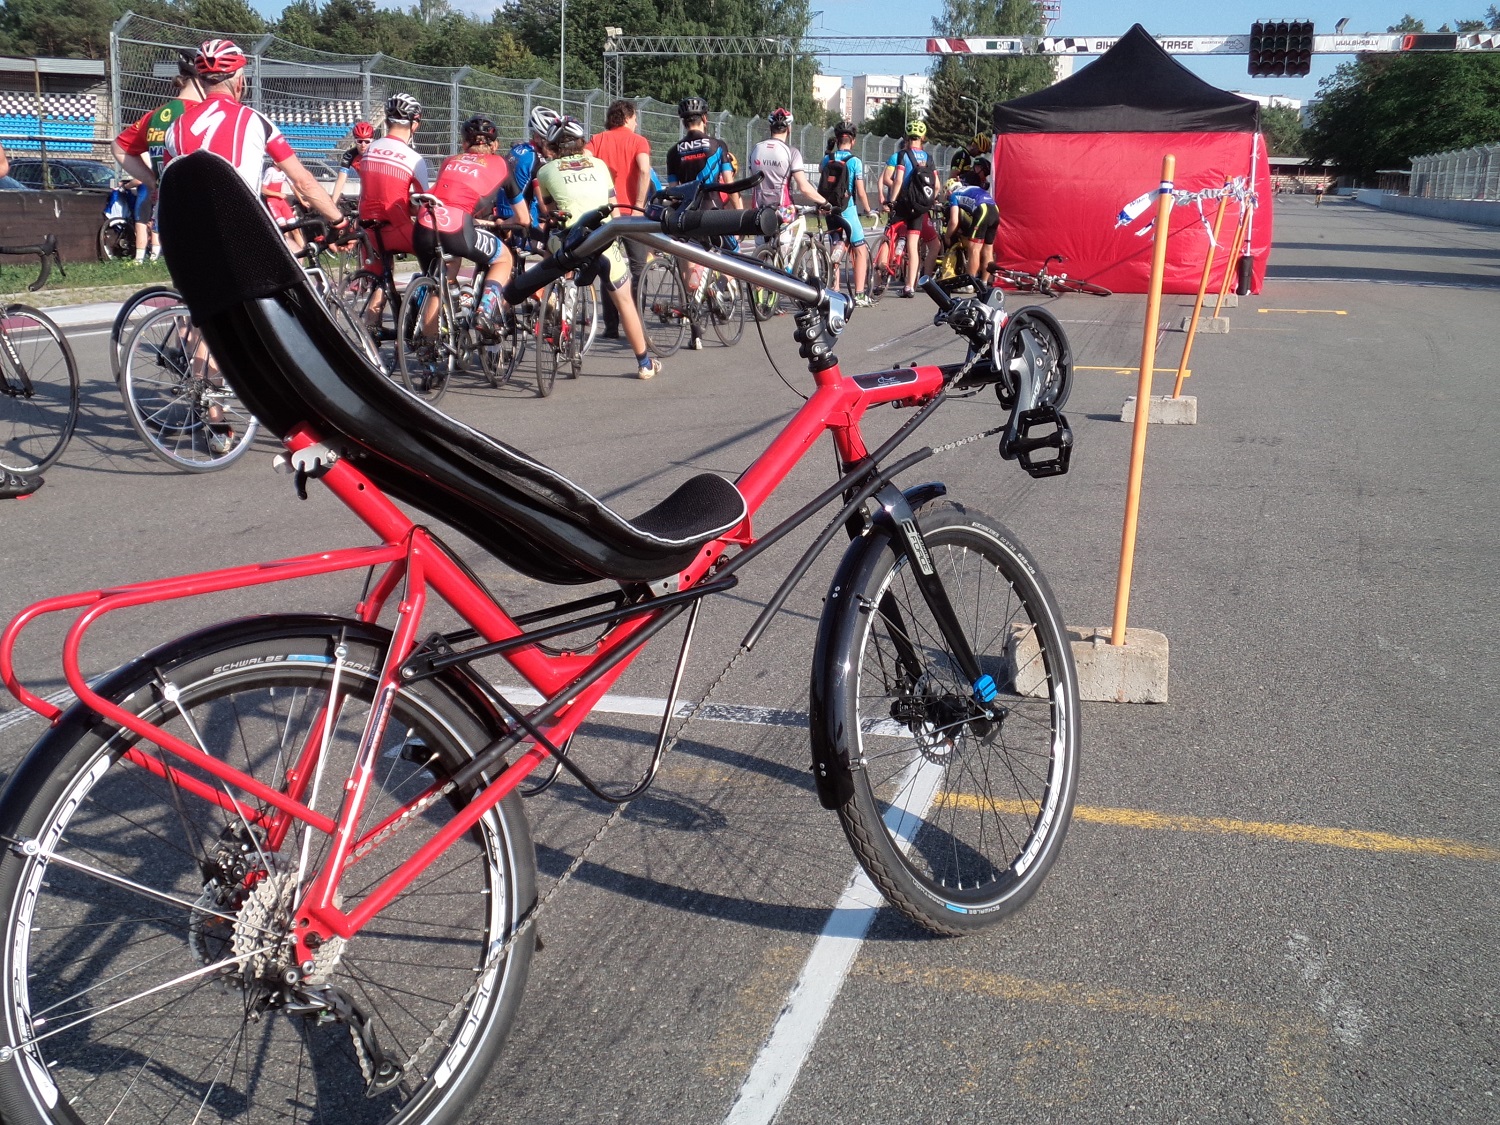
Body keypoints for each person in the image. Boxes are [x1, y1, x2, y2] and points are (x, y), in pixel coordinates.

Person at [534, 115, 660, 379]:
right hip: (601, 236)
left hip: (568, 239)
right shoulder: (600, 165)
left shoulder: (545, 171)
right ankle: (644, 363)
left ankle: (554, 298)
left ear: (552, 146)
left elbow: (551, 211)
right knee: (624, 300)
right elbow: (612, 209)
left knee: (552, 244)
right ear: (581, 142)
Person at [162, 41, 342, 225]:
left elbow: (167, 187)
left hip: (189, 231)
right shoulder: (255, 120)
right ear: (240, 81)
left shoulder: (175, 127)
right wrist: (339, 221)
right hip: (241, 229)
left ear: (200, 81)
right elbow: (304, 182)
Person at [413, 114, 524, 331]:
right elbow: (523, 218)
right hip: (457, 228)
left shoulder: (450, 160)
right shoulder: (501, 163)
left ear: (464, 144)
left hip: (424, 225)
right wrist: (498, 224)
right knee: (504, 259)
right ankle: (484, 312)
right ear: (495, 145)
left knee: (440, 280)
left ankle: (428, 341)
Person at [113, 51, 206, 261]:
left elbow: (119, 147)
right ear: (201, 78)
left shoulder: (156, 115)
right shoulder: (203, 113)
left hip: (167, 208)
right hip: (199, 208)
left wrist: (151, 181)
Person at [589, 99, 653, 339]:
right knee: (639, 268)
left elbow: (585, 161)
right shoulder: (638, 141)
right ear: (627, 117)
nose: (636, 123)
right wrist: (639, 204)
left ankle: (611, 325)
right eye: (635, 118)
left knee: (609, 269)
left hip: (606, 213)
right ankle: (637, 323)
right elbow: (644, 169)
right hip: (631, 212)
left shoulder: (598, 139)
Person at [818, 121, 875, 307]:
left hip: (829, 209)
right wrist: (868, 210)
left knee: (834, 244)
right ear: (853, 141)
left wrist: (828, 151)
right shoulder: (855, 161)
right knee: (860, 250)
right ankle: (859, 295)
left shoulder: (828, 159)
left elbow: (820, 170)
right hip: (847, 209)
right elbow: (860, 191)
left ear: (836, 140)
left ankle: (834, 290)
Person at [884, 121, 940, 298]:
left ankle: (878, 279)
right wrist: (928, 200)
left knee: (888, 236)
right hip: (920, 206)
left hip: (904, 203)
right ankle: (909, 287)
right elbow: (937, 185)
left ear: (907, 137)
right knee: (913, 245)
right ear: (923, 138)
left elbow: (898, 180)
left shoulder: (903, 155)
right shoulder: (928, 158)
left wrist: (892, 200)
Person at [667, 96, 739, 211]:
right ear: (704, 118)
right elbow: (729, 185)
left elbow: (674, 194)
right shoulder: (718, 145)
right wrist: (739, 212)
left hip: (687, 212)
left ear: (683, 122)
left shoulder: (673, 152)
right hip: (712, 209)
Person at [748, 108, 827, 211]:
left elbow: (753, 180)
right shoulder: (792, 152)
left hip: (758, 211)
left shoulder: (756, 149)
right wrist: (825, 203)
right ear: (789, 128)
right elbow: (804, 188)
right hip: (783, 211)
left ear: (770, 127)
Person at [506, 106, 561, 229]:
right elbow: (545, 208)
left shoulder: (518, 148)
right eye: (551, 142)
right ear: (537, 137)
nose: (555, 146)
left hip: (504, 212)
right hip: (521, 223)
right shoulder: (538, 163)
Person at [944, 174, 999, 285]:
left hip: (983, 210)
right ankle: (984, 282)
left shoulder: (954, 195)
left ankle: (970, 284)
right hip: (995, 209)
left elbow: (954, 221)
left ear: (949, 191)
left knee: (973, 248)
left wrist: (947, 236)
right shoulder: (970, 188)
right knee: (988, 250)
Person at [330, 120, 375, 201]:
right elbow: (341, 180)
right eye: (359, 141)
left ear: (372, 141)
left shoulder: (377, 154)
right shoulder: (350, 155)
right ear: (355, 141)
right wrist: (333, 203)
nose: (363, 145)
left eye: (367, 142)